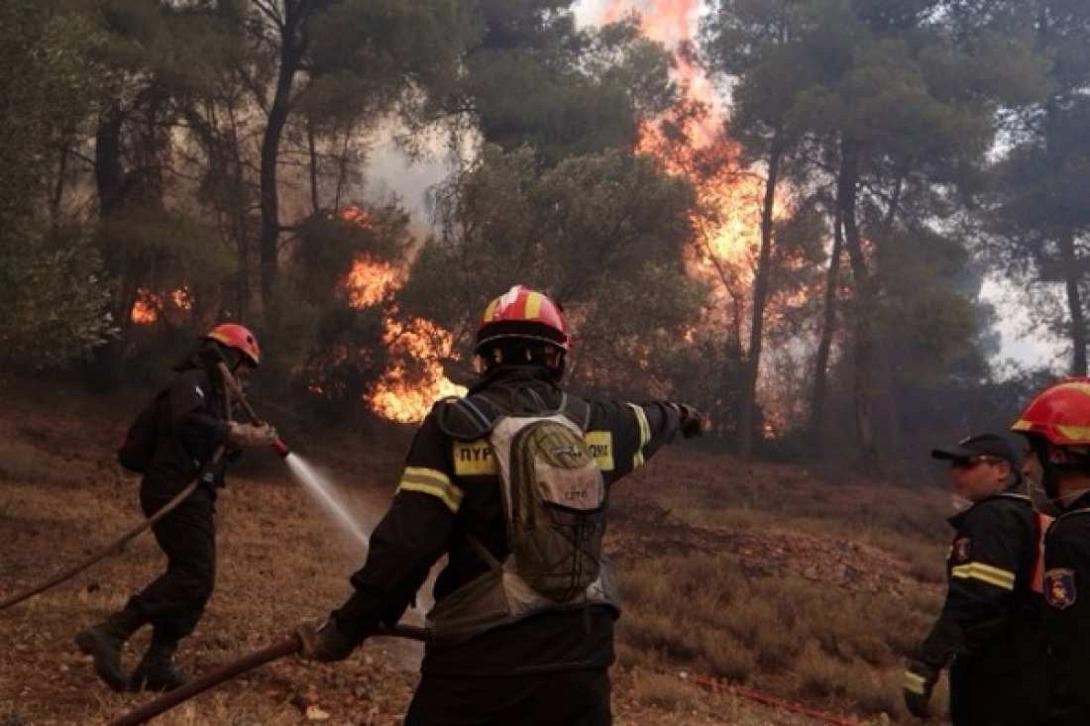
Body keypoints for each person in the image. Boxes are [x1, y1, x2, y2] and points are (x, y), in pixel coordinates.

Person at [296, 285, 704, 725]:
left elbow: (406, 548)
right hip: (580, 664)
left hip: (479, 666)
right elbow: (653, 419)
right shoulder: (597, 423)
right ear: (556, 358)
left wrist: (345, 630)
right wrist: (684, 415)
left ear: (485, 358)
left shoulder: (455, 429)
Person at [75, 323, 278, 692]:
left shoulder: (216, 398)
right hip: (173, 488)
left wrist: (242, 440)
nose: (245, 377)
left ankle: (158, 661)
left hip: (194, 491)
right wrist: (235, 432)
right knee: (194, 573)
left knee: (197, 578)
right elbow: (188, 422)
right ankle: (112, 631)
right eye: (244, 367)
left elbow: (213, 447)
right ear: (228, 358)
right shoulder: (192, 381)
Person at [902, 433, 1049, 724]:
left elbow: (976, 599)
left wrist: (928, 662)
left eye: (967, 464)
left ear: (1002, 470)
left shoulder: (992, 518)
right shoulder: (1024, 515)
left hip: (996, 676)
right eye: (953, 465)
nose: (956, 473)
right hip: (1029, 671)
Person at [1011, 378, 1090, 725]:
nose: (1026, 468)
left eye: (1031, 452)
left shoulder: (1072, 535)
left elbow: (1074, 650)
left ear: (1058, 454)